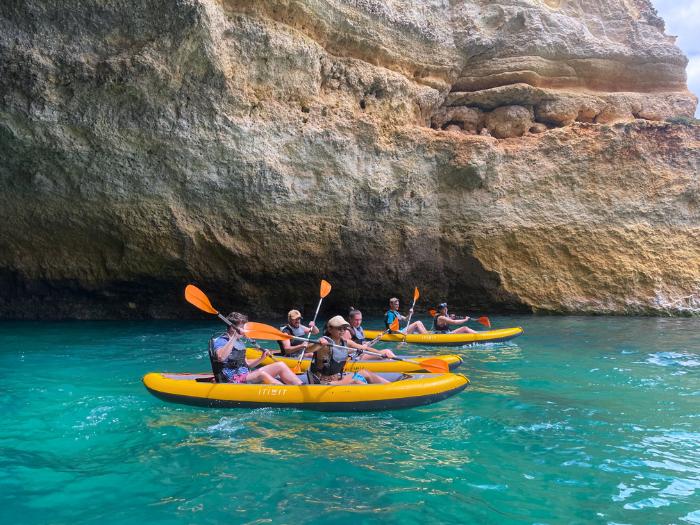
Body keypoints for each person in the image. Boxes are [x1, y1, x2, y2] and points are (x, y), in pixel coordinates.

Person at [212, 312, 303, 385]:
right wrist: (234, 337)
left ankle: (300, 386)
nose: (245, 330)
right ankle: (288, 393)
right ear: (233, 328)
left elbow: (246, 363)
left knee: (280, 365)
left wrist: (262, 358)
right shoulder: (221, 340)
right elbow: (221, 357)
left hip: (245, 375)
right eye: (242, 327)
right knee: (261, 374)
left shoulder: (239, 342)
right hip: (232, 379)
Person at [309, 315, 391, 385]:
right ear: (330, 329)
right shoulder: (324, 343)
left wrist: (380, 353)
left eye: (344, 328)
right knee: (355, 381)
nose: (342, 331)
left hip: (337, 378)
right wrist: (317, 343)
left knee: (364, 372)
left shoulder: (346, 342)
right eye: (339, 328)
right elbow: (307, 350)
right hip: (323, 382)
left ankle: (390, 387)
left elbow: (364, 347)